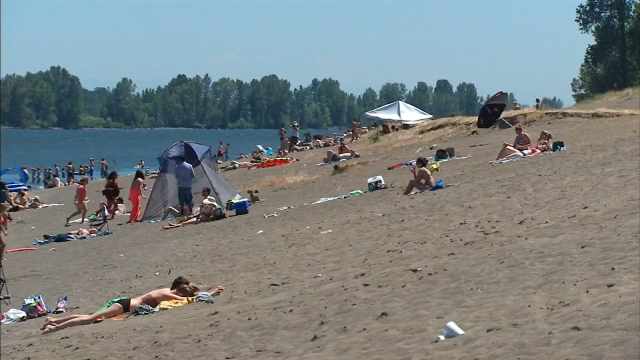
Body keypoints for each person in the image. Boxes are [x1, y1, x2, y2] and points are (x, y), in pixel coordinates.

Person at [40, 277, 222, 334]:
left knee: (90, 316)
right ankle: (52, 329)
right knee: (89, 319)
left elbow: (190, 295)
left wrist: (209, 289)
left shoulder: (166, 290)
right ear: (180, 291)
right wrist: (211, 293)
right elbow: (186, 300)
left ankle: (54, 320)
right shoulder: (166, 293)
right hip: (124, 306)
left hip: (124, 303)